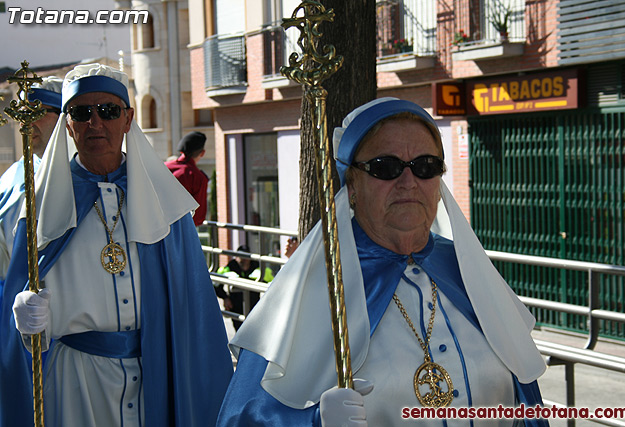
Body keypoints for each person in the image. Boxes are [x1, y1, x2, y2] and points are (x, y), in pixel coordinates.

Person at [217, 98, 548, 426]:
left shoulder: (467, 273)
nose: (408, 182)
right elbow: (243, 418)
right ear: (353, 184)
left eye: (426, 166)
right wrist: (314, 422)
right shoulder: (318, 286)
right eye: (385, 167)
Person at [1, 64, 233, 427]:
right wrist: (26, 320)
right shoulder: (40, 206)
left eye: (108, 111)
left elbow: (194, 310)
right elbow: (20, 324)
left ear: (128, 119)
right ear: (68, 124)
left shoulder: (164, 204)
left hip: (157, 374)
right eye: (81, 112)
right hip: (76, 385)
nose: (95, 123)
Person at [0, 76, 63, 284]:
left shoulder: (88, 173)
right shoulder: (10, 181)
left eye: (37, 112)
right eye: (23, 113)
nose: (26, 121)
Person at [215, 244, 273, 331]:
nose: (243, 258)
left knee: (254, 334)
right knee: (239, 334)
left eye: (246, 255)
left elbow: (272, 285)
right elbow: (215, 285)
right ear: (236, 257)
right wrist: (225, 298)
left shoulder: (259, 268)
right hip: (236, 307)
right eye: (241, 255)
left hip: (254, 308)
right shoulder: (230, 267)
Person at [165, 131, 209, 226]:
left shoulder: (163, 167)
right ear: (202, 153)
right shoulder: (197, 177)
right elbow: (198, 218)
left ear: (181, 151)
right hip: (179, 231)